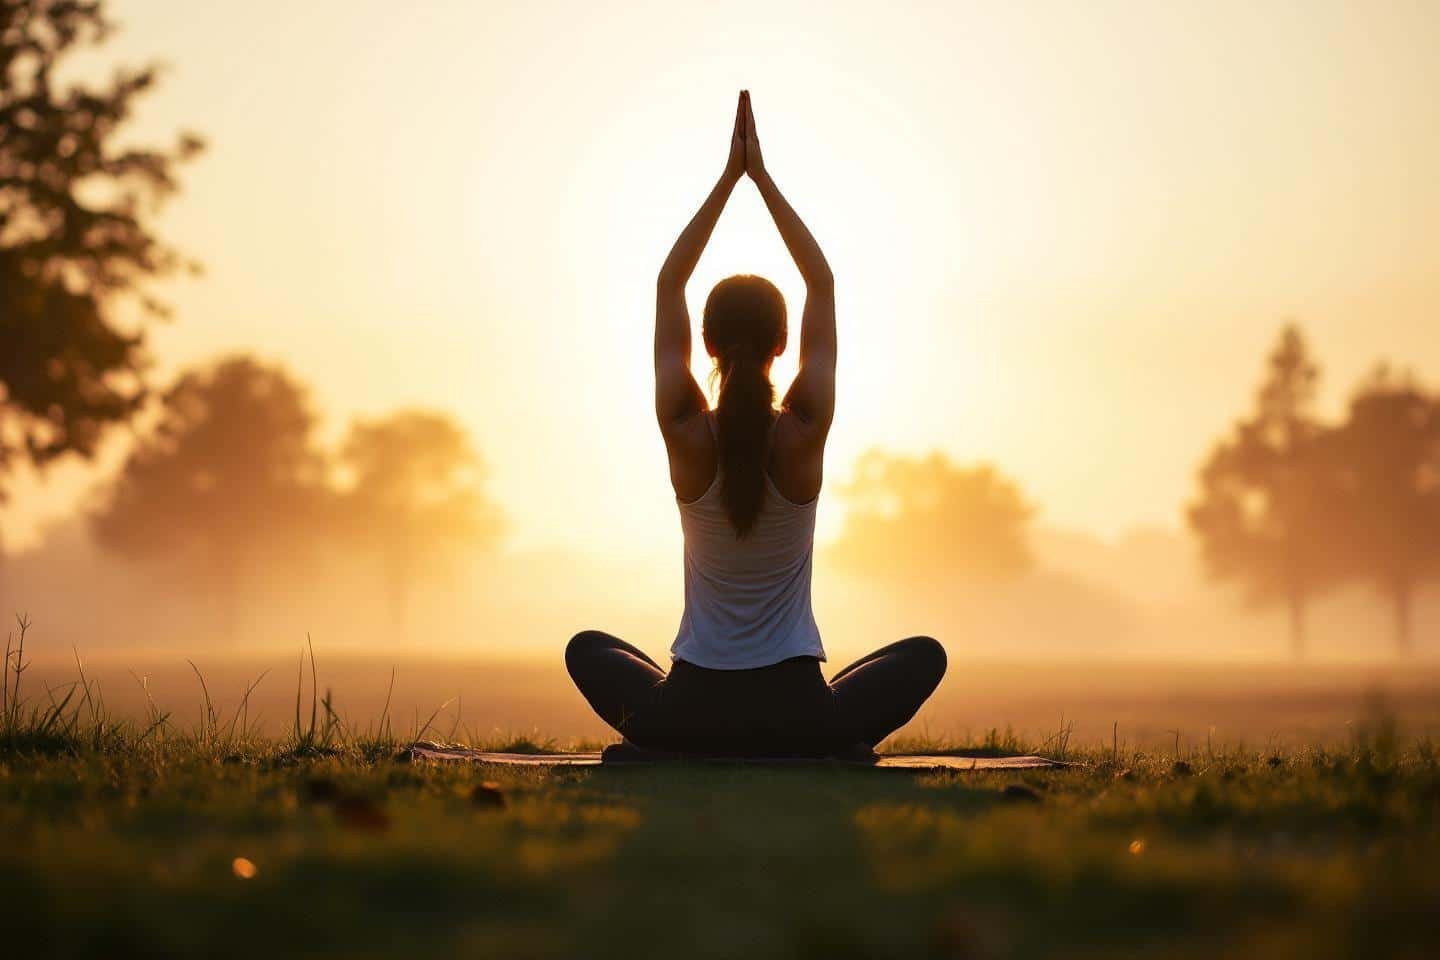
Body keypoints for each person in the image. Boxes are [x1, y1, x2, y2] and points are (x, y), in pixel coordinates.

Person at [565, 91, 945, 757]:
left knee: (588, 650)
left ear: (706, 346)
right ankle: (828, 744)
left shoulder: (684, 430)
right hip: (796, 711)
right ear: (781, 346)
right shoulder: (803, 432)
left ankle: (673, 744)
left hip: (690, 711)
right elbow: (821, 284)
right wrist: (761, 179)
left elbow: (667, 285)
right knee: (924, 655)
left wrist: (727, 180)